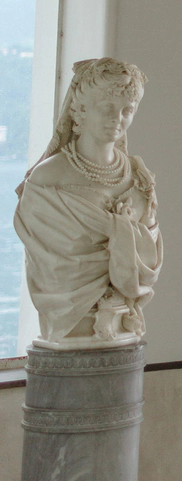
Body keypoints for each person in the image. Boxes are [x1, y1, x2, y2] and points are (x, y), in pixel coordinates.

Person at [15, 57, 162, 348]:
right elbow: (54, 263)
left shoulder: (138, 177)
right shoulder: (48, 179)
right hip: (70, 325)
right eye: (106, 107)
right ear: (80, 109)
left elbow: (149, 254)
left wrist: (120, 232)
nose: (117, 119)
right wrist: (122, 231)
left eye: (127, 110)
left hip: (122, 327)